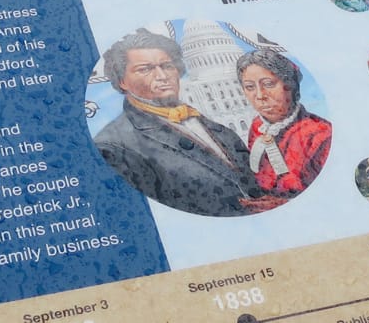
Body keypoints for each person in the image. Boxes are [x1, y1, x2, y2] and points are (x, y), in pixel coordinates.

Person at [93, 29, 262, 217]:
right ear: (122, 81)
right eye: (145, 69)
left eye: (167, 66)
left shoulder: (218, 129)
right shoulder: (113, 146)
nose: (162, 76)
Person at [236, 49, 332, 200]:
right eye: (249, 87)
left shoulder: (320, 133)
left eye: (268, 84)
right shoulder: (258, 126)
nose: (260, 96)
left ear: (290, 85)